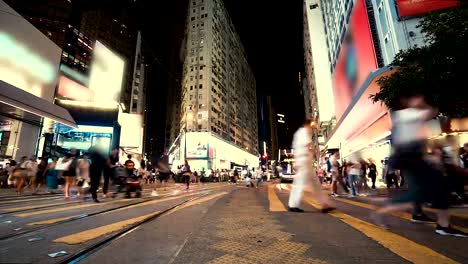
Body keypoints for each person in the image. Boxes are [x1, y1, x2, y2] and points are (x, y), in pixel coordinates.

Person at [373, 95, 467, 237]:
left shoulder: (401, 116)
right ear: (406, 101)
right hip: (411, 158)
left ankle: (438, 223)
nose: (420, 99)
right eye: (416, 97)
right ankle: (442, 225)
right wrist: (423, 105)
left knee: (425, 190)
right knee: (435, 188)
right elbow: (432, 112)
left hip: (411, 158)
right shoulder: (407, 113)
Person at [288, 119, 335, 213]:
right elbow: (308, 145)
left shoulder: (300, 133)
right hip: (304, 160)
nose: (313, 128)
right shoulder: (304, 132)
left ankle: (324, 204)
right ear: (308, 125)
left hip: (305, 160)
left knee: (315, 183)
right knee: (300, 183)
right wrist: (313, 153)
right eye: (312, 125)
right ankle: (293, 204)